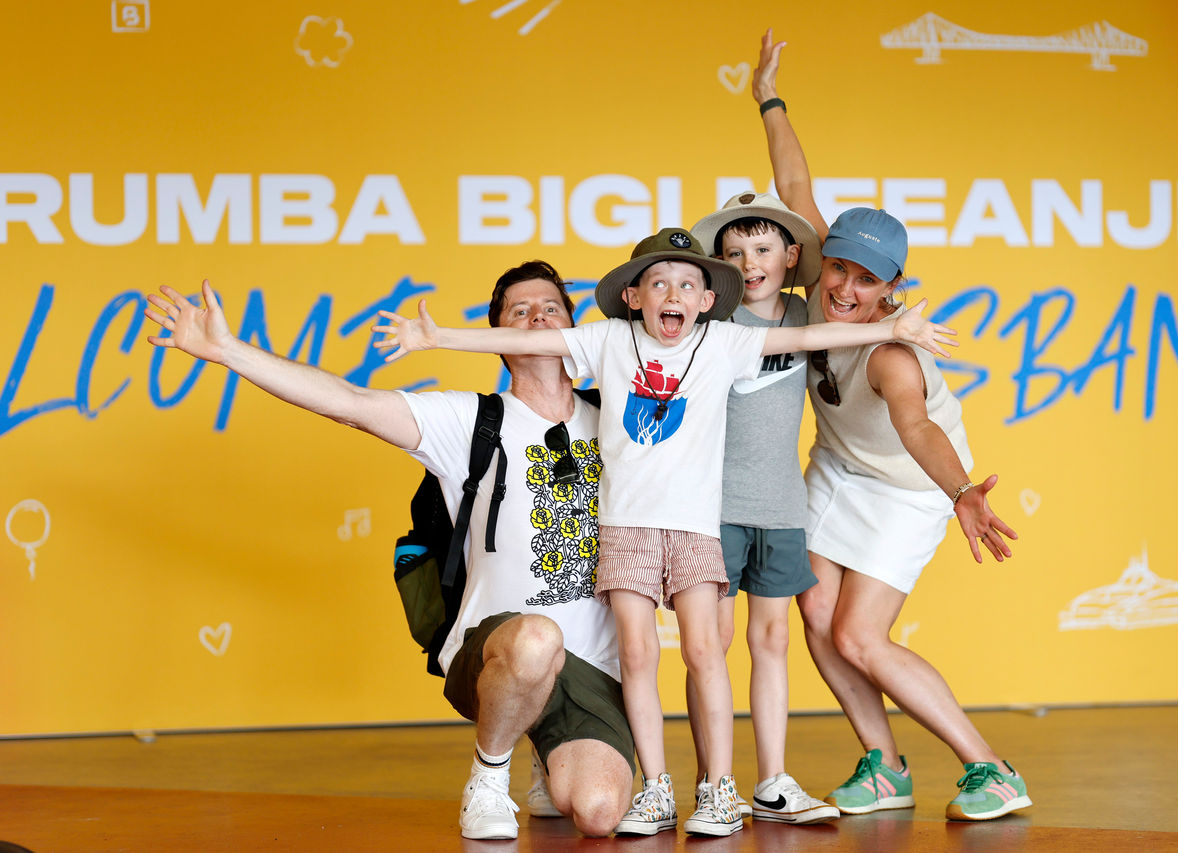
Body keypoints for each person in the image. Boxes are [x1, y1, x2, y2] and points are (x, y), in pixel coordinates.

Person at [373, 228, 958, 836]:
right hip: (626, 532)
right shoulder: (605, 340)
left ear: (707, 300)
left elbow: (809, 335)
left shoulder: (725, 343)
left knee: (706, 653)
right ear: (633, 297)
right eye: (657, 282)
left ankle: (719, 792)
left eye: (687, 283)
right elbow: (530, 338)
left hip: (695, 532)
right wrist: (439, 338)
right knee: (638, 655)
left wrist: (889, 331)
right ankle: (655, 788)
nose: (672, 293)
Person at [142, 262, 635, 840]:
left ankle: (541, 748)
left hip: (593, 664)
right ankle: (488, 775)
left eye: (550, 308)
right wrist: (230, 352)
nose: (535, 319)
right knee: (534, 639)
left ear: (573, 329)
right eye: (517, 311)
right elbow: (348, 400)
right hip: (494, 646)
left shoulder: (616, 420)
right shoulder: (471, 421)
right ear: (495, 337)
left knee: (599, 813)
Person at [750, 29, 1032, 821]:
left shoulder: (892, 356)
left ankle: (991, 768)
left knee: (861, 637)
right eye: (837, 266)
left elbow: (915, 426)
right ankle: (885, 765)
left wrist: (961, 490)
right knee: (812, 610)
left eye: (866, 280)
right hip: (839, 466)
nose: (842, 287)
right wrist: (767, 95)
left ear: (893, 289)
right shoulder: (819, 279)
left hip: (910, 485)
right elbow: (796, 179)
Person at [684, 192, 838, 824]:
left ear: (791, 256)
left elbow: (839, 259)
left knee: (771, 639)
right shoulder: (708, 323)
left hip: (782, 508)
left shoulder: (807, 313)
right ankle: (711, 782)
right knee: (710, 644)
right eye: (734, 252)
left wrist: (773, 106)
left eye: (764, 249)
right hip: (712, 508)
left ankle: (772, 781)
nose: (749, 262)